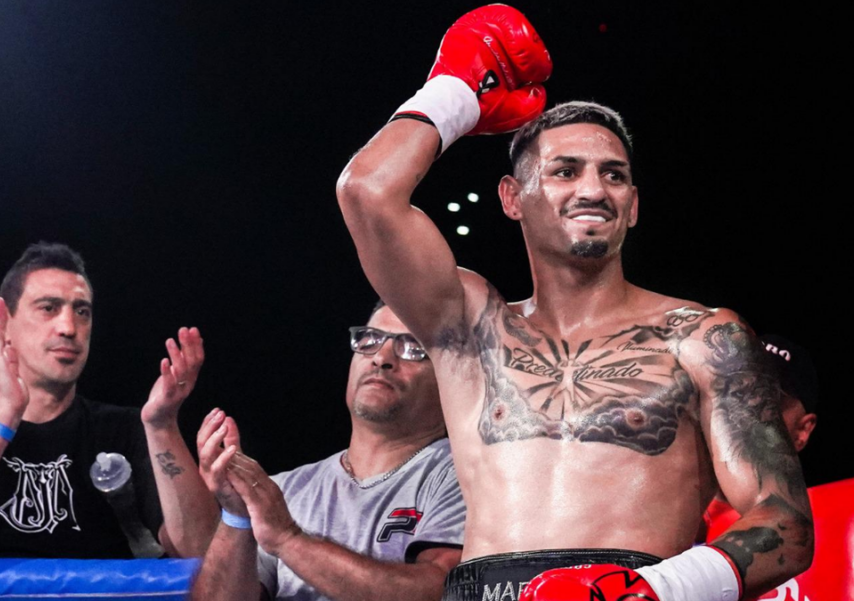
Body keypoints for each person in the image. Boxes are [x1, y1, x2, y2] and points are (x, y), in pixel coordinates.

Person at [334, 5, 814, 601]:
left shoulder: (701, 336)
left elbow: (785, 523)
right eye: (565, 171)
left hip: (641, 586)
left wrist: (649, 591)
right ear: (513, 198)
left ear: (633, 205)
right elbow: (367, 192)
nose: (593, 189)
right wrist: (455, 91)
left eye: (614, 176)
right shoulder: (471, 324)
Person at [0, 242, 217, 573]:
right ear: (5, 324)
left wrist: (163, 426)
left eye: (82, 311)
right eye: (48, 307)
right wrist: (4, 414)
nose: (69, 327)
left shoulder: (125, 430)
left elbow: (203, 552)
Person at [190, 303, 465, 601]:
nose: (381, 358)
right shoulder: (282, 490)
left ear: (451, 381)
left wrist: (289, 539)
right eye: (370, 340)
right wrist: (237, 515)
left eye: (412, 347)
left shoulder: (468, 475)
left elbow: (445, 591)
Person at [702, 334, 820, 539]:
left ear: (802, 431)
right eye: (733, 393)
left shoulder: (832, 530)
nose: (743, 412)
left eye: (766, 402)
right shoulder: (652, 519)